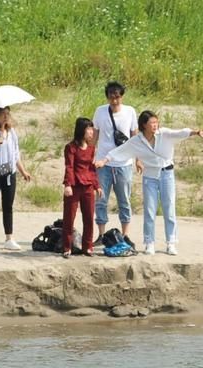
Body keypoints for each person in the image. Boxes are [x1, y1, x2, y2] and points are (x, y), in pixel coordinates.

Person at [95, 110, 203, 256]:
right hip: (149, 177)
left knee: (169, 208)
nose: (155, 125)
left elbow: (181, 132)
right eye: (152, 123)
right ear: (144, 125)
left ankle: (171, 242)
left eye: (156, 122)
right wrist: (103, 161)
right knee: (149, 211)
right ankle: (149, 242)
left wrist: (197, 132)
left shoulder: (164, 134)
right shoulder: (137, 140)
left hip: (167, 174)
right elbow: (119, 151)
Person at [92, 81, 141, 245]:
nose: (114, 101)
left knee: (124, 200)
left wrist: (138, 159)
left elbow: (135, 136)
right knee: (100, 200)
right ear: (107, 97)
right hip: (103, 163)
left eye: (117, 97)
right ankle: (101, 234)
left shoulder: (130, 112)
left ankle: (125, 235)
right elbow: (95, 136)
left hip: (124, 163)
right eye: (111, 97)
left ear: (122, 97)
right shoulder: (100, 111)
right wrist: (89, 157)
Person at [0, 106, 32, 252]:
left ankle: (9, 238)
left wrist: (23, 171)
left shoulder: (11, 132)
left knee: (8, 206)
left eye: (7, 114)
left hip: (9, 172)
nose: (5, 117)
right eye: (2, 114)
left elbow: (15, 154)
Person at [61, 117, 103, 258]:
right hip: (74, 186)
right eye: (88, 129)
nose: (91, 132)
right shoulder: (71, 147)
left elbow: (92, 169)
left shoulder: (92, 148)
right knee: (69, 217)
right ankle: (67, 247)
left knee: (89, 217)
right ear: (81, 130)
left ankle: (88, 246)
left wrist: (97, 186)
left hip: (88, 186)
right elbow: (69, 167)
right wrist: (68, 184)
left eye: (92, 129)